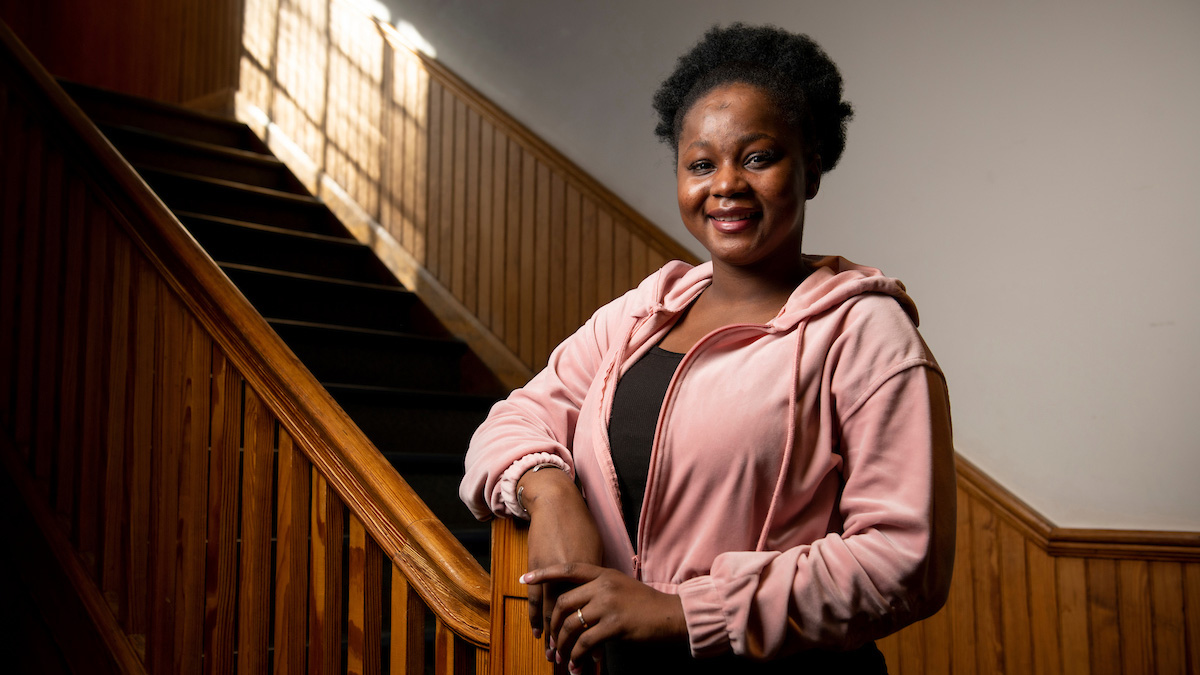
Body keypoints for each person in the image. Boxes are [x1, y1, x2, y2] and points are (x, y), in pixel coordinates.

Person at [460, 23, 956, 675]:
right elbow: (514, 419)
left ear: (810, 165)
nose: (725, 184)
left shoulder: (867, 333)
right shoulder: (645, 311)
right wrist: (549, 493)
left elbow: (902, 561)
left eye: (758, 156)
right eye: (701, 163)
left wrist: (682, 611)